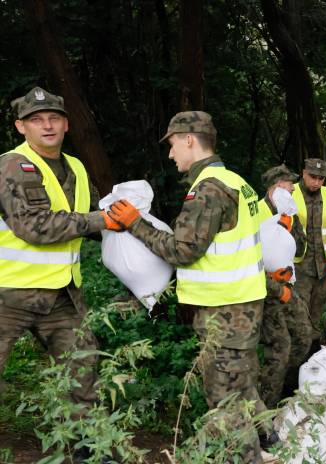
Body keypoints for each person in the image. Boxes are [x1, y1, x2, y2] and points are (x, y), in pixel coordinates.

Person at [108, 111, 266, 459]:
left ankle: (248, 456)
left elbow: (183, 250)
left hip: (225, 314)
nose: (170, 154)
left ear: (190, 139)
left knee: (225, 400)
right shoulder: (237, 181)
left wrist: (136, 224)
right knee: (241, 386)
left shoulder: (208, 189)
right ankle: (273, 443)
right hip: (243, 307)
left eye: (173, 144)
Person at [0, 87, 122, 459]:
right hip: (9, 292)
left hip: (62, 294)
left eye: (54, 117)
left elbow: (97, 216)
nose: (47, 125)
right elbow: (34, 226)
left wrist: (138, 228)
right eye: (37, 120)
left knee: (83, 368)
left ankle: (86, 448)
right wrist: (103, 219)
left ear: (67, 124)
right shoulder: (12, 165)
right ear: (22, 126)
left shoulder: (77, 167)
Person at [257, 164, 313, 409]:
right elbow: (245, 260)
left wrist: (290, 226)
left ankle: (287, 391)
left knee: (303, 335)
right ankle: (264, 409)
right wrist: (273, 284)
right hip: (263, 292)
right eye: (290, 184)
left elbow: (300, 250)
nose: (293, 188)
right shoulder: (255, 213)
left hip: (287, 287)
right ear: (277, 186)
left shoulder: (288, 211)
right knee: (279, 347)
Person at [291, 158, 326, 341]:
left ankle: (312, 354)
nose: (316, 182)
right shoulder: (290, 193)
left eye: (321, 178)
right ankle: (296, 360)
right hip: (299, 269)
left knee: (316, 314)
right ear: (303, 173)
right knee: (298, 316)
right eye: (312, 177)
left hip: (323, 268)